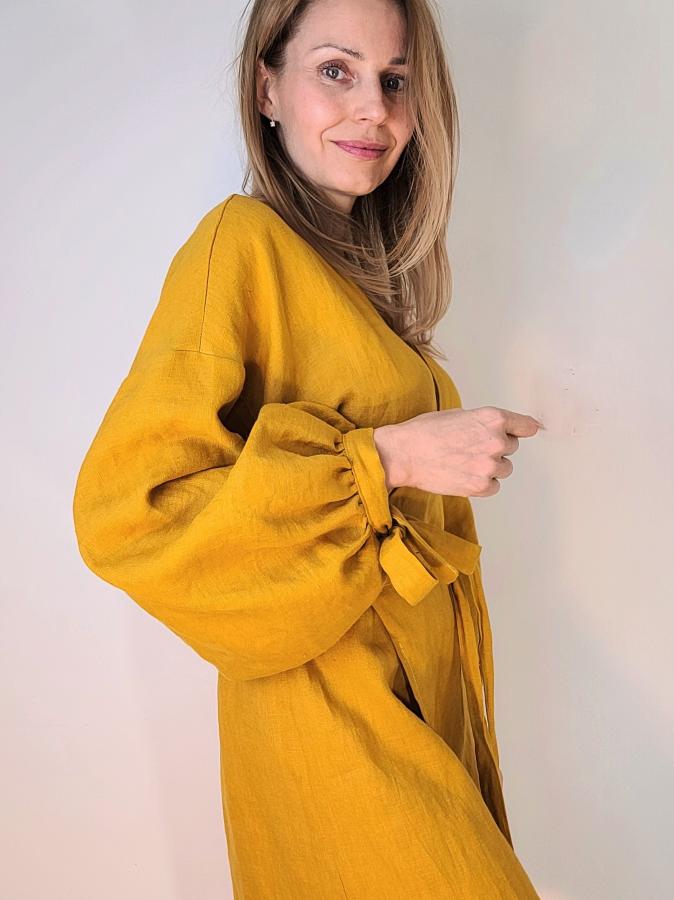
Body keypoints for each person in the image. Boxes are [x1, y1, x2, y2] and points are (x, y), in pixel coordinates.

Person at [72, 0, 544, 896]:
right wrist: (389, 461)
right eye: (336, 70)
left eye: (395, 80)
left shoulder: (359, 282)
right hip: (331, 721)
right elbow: (128, 512)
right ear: (268, 88)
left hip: (417, 711)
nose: (373, 108)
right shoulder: (239, 245)